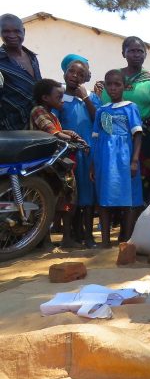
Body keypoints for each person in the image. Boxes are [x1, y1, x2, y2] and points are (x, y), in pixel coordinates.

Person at [102, 36, 150, 206]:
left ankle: (136, 218)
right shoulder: (113, 79)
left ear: (145, 55)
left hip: (142, 137)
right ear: (123, 53)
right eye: (132, 51)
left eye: (140, 51)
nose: (136, 54)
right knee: (115, 175)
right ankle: (116, 217)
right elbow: (106, 107)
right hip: (114, 137)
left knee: (141, 177)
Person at [30, 79, 87, 248]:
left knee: (67, 199)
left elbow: (59, 131)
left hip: (56, 163)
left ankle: (66, 239)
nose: (62, 100)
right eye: (59, 96)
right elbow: (52, 132)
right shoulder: (38, 111)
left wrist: (71, 134)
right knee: (47, 201)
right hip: (44, 165)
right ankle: (45, 240)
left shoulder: (53, 114)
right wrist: (70, 139)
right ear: (46, 97)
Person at [91, 70, 143, 248]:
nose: (113, 88)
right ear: (105, 86)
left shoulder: (130, 107)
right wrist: (93, 164)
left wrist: (134, 160)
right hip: (104, 160)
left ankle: (126, 240)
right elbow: (96, 137)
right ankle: (105, 241)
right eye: (109, 84)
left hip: (125, 158)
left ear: (124, 86)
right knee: (104, 198)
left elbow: (137, 135)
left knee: (129, 198)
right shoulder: (101, 110)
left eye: (117, 84)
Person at [56, 58, 101, 248]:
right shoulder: (58, 99)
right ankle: (71, 235)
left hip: (89, 153)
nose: (75, 76)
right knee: (71, 195)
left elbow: (99, 119)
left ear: (86, 78)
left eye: (81, 74)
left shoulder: (91, 97)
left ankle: (89, 236)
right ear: (64, 73)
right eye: (71, 72)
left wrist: (86, 98)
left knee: (88, 197)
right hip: (69, 154)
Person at [0, 14, 42, 131]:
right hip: (9, 130)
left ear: (23, 31)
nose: (12, 35)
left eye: (16, 31)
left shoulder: (32, 57)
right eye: (6, 31)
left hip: (37, 125)